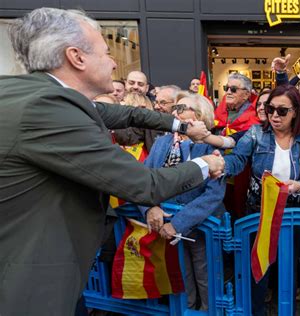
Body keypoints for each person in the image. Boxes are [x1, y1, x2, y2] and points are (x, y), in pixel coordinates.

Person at [0, 8, 225, 315]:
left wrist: (182, 127)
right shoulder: (48, 108)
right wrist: (207, 165)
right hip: (28, 285)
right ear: (76, 57)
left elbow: (130, 114)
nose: (115, 62)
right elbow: (145, 184)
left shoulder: (39, 94)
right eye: (106, 53)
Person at [224, 85, 300, 315]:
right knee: (259, 265)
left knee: (288, 264)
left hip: (293, 213)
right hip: (258, 211)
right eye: (270, 109)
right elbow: (237, 160)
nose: (274, 115)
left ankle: (287, 309)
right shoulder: (256, 133)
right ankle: (256, 310)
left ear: (295, 111)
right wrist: (220, 165)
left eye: (282, 111)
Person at [139, 92, 225, 311]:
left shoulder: (212, 143)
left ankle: (208, 311)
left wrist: (178, 223)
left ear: (198, 114)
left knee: (206, 276)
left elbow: (213, 194)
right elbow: (142, 180)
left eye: (181, 108)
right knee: (180, 275)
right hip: (165, 228)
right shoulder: (162, 142)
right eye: (174, 108)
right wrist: (150, 208)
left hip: (200, 226)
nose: (174, 112)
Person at [214, 72, 260, 218]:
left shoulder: (255, 115)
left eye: (233, 89)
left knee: (239, 212)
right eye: (227, 88)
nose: (228, 92)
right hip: (219, 171)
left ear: (246, 95)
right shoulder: (219, 112)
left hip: (243, 172)